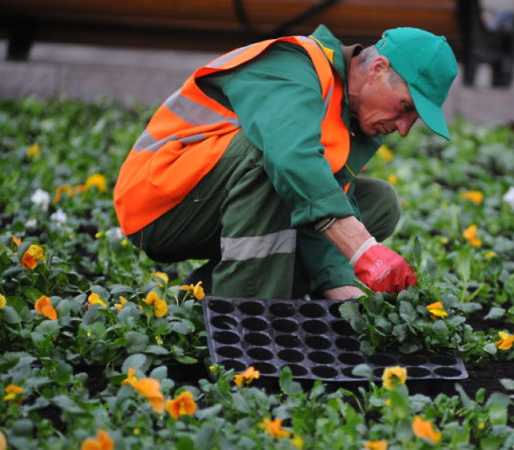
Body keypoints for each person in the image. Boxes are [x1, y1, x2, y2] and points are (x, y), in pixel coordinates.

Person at [113, 24, 458, 300]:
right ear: (378, 70)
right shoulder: (294, 65)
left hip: (219, 202)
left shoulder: (355, 119)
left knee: (378, 203)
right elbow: (289, 158)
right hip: (159, 203)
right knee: (276, 158)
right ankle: (244, 314)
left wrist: (352, 302)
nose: (403, 128)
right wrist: (364, 251)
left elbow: (320, 213)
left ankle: (204, 297)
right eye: (407, 108)